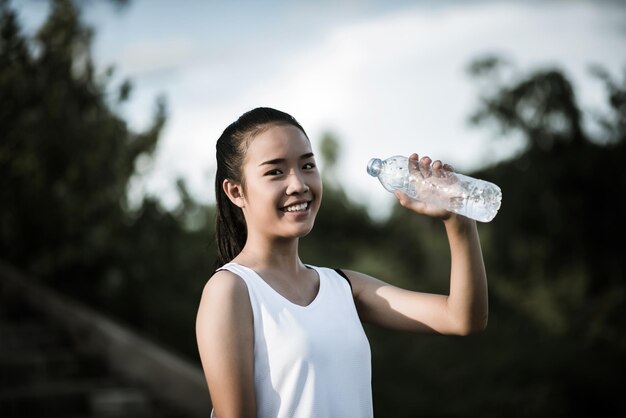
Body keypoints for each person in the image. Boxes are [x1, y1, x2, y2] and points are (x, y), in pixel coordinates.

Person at [196, 107, 488, 418]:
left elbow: (463, 318)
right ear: (236, 191)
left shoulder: (344, 287)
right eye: (275, 171)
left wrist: (457, 218)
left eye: (307, 165)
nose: (299, 184)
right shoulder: (230, 291)